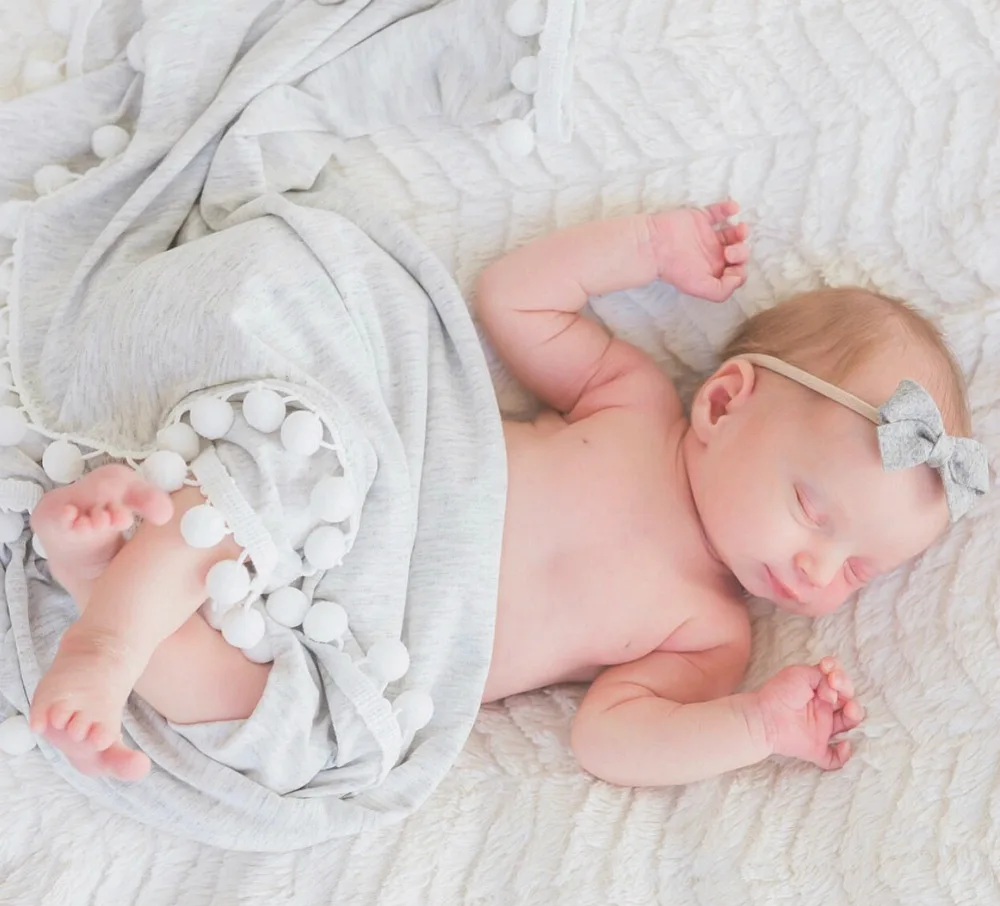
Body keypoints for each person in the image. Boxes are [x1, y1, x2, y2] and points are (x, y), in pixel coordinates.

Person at [27, 201, 989, 786]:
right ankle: (110, 640)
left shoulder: (712, 634)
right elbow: (519, 296)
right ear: (726, 403)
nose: (818, 569)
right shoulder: (632, 401)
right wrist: (648, 246)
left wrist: (757, 727)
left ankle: (95, 576)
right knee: (286, 468)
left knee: (295, 729)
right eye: (814, 513)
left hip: (392, 650)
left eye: (856, 572)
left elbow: (614, 741)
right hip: (382, 503)